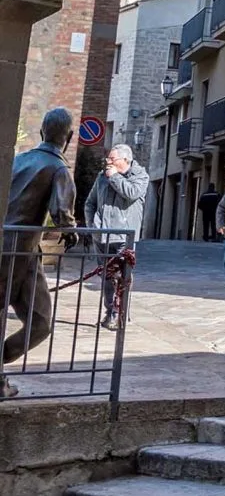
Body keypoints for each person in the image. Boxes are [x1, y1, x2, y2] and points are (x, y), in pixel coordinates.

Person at [2, 108, 78, 397]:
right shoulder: (59, 169)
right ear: (68, 138)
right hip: (17, 251)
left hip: (22, 251)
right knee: (38, 322)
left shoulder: (18, 160)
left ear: (42, 133)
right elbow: (62, 212)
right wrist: (71, 231)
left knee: (41, 321)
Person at [85, 142, 150, 328]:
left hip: (124, 238)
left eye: (112, 159)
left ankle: (120, 313)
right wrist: (92, 226)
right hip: (102, 236)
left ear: (125, 160)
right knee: (106, 276)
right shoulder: (101, 177)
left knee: (123, 277)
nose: (108, 162)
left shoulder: (140, 177)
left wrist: (114, 177)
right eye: (108, 158)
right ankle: (110, 312)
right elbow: (90, 203)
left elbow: (131, 193)